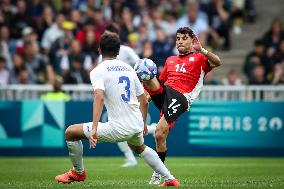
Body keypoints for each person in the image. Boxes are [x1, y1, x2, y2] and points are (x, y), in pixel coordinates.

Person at [55, 32, 180, 187]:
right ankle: (170, 179)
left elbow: (99, 97)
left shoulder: (97, 71)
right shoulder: (129, 69)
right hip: (135, 124)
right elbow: (143, 100)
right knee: (139, 147)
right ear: (119, 51)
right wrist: (143, 124)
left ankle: (78, 173)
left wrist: (94, 127)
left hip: (118, 128)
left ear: (99, 50)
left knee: (70, 132)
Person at [138, 27, 222, 184]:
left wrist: (202, 50)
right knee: (159, 135)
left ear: (192, 40)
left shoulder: (199, 58)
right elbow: (158, 84)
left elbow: (218, 62)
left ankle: (158, 172)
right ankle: (158, 172)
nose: (180, 41)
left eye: (184, 38)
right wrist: (143, 100)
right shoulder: (170, 60)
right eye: (178, 39)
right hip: (166, 94)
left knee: (159, 133)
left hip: (182, 97)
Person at [98, 24, 156, 168]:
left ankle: (134, 155)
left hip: (128, 93)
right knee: (122, 126)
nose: (105, 37)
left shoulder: (127, 51)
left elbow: (141, 67)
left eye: (108, 33)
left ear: (116, 35)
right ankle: (151, 132)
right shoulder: (103, 56)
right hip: (115, 94)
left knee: (124, 126)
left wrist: (141, 86)